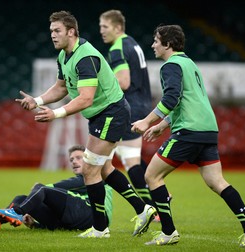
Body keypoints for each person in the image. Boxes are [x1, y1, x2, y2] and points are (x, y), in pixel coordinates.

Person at [15, 11, 156, 238]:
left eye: (57, 30)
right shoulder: (64, 55)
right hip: (102, 115)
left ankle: (100, 228)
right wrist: (37, 100)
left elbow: (85, 98)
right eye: (51, 31)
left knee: (90, 170)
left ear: (71, 32)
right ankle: (143, 209)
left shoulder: (85, 57)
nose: (52, 35)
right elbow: (61, 87)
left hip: (112, 113)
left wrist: (56, 113)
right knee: (105, 169)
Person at [131, 24, 245, 247]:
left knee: (151, 176)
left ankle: (168, 231)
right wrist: (163, 125)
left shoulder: (170, 66)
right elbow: (189, 100)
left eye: (156, 40)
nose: (153, 44)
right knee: (216, 181)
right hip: (208, 130)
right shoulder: (189, 63)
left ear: (168, 44)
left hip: (189, 131)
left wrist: (146, 121)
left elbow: (172, 98)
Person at [99, 10, 156, 209]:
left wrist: (100, 82)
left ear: (118, 27)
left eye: (105, 27)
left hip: (130, 108)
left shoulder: (117, 48)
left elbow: (123, 82)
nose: (101, 31)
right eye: (100, 27)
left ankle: (151, 207)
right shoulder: (131, 42)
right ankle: (158, 194)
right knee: (132, 157)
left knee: (129, 161)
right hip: (142, 104)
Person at [0, 145, 113, 231]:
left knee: (42, 190)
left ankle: (16, 212)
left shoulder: (95, 176)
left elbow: (58, 187)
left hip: (96, 216)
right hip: (77, 220)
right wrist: (35, 225)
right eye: (71, 159)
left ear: (89, 160)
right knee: (21, 198)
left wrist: (39, 188)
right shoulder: (82, 184)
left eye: (79, 158)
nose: (74, 161)